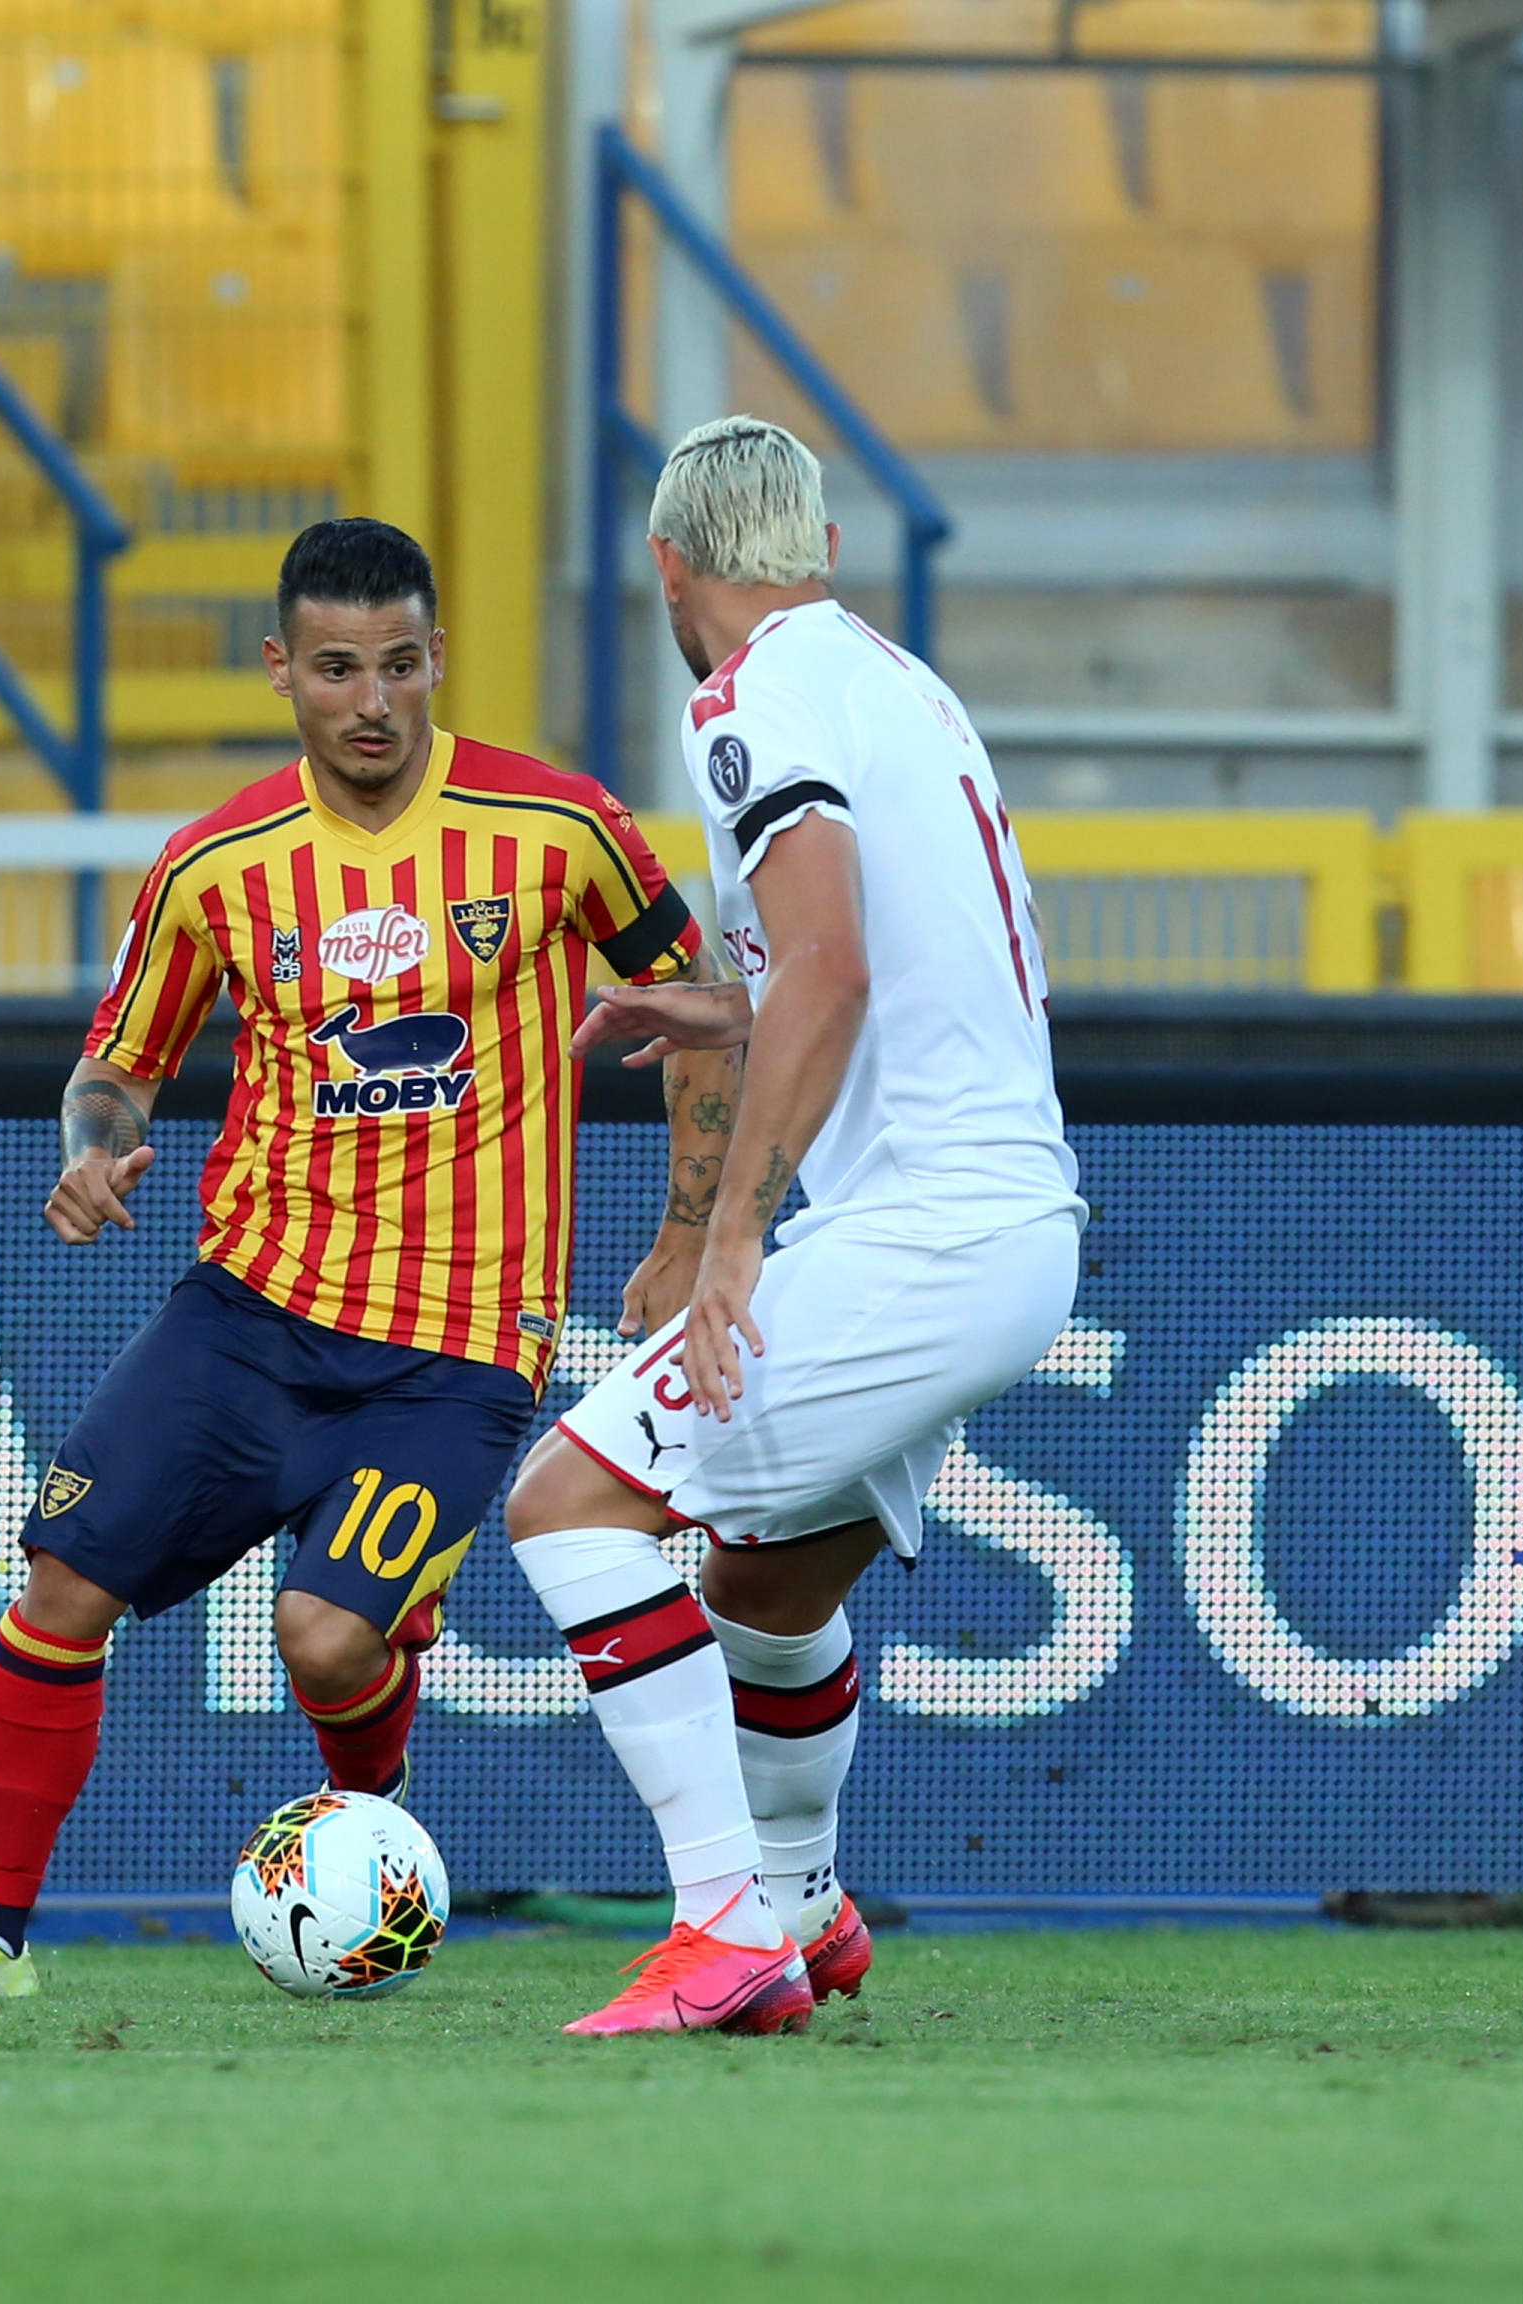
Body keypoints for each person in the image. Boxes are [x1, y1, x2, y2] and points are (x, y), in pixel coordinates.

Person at [0, 516, 709, 2001]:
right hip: (246, 1315)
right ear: (280, 673)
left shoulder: (559, 830)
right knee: (57, 1585)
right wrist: (88, 1144)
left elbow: (702, 1006)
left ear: (437, 658)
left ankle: (369, 1838)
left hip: (453, 1346)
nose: (370, 700)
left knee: (322, 1639)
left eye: (398, 664)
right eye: (334, 669)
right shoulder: (216, 864)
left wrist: (690, 1236)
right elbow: (117, 1062)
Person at [506, 417, 1085, 2037]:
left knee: (570, 1506)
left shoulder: (744, 700)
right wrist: (706, 1000)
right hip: (1004, 1224)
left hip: (926, 1233)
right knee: (767, 1583)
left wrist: (733, 1236)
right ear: (818, 552)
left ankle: (720, 1926)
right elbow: (848, 954)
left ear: (668, 567)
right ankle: (810, 1912)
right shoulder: (897, 682)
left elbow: (827, 967)